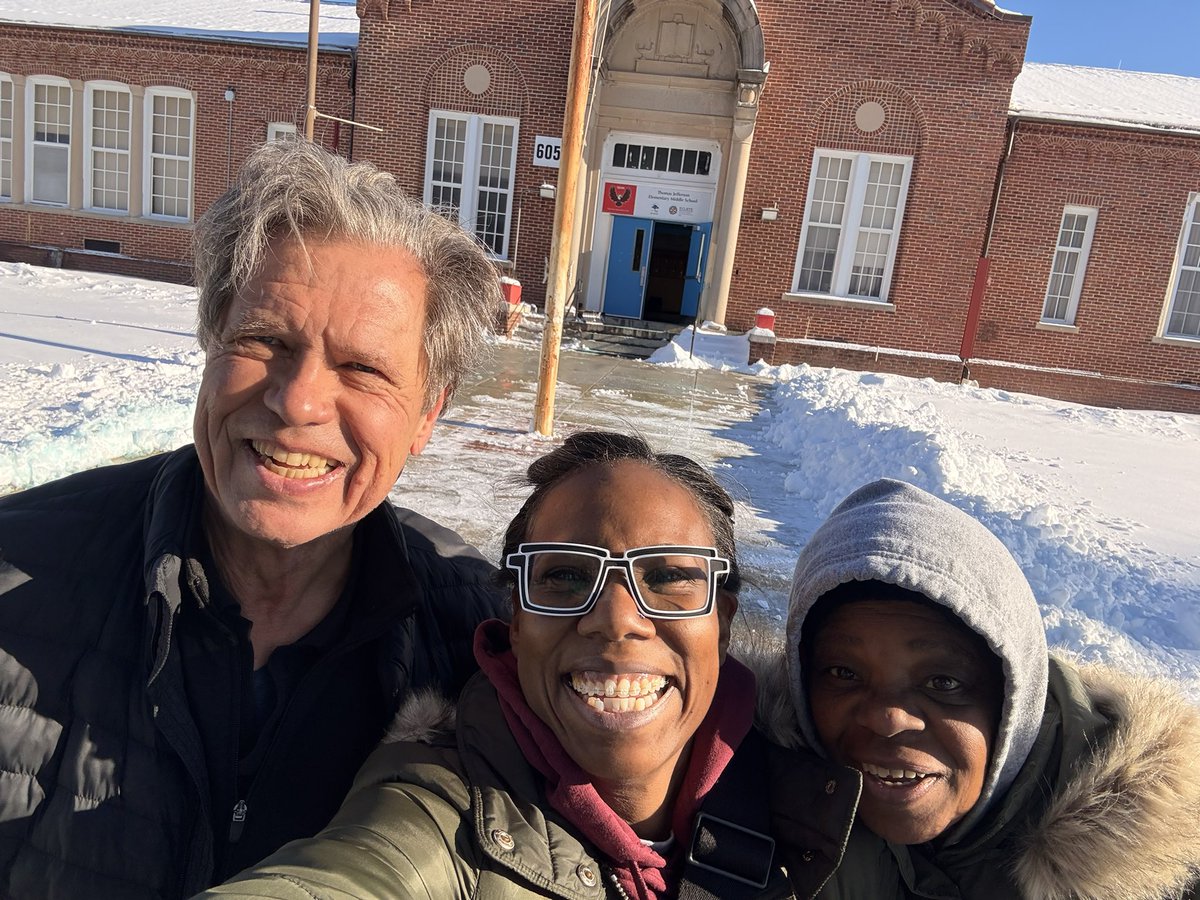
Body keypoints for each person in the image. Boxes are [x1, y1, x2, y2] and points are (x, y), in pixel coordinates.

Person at [0, 140, 509, 899]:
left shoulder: (484, 645)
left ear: (427, 415)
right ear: (210, 344)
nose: (297, 403)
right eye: (265, 340)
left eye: (363, 370)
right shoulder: (15, 570)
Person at [200, 431, 861, 900]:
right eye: (566, 578)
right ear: (514, 621)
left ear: (723, 618)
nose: (618, 618)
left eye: (669, 578)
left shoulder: (829, 803)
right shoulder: (437, 808)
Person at [771, 478, 1200, 899]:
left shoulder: (1171, 874)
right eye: (843, 673)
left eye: (943, 682)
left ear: (1015, 702)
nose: (888, 718)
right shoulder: (750, 817)